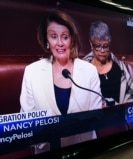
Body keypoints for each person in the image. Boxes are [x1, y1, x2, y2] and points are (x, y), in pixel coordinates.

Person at [20, 10, 102, 154]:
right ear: (46, 40)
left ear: (72, 39)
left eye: (65, 37)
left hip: (84, 151)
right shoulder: (31, 72)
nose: (59, 43)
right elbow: (27, 124)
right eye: (53, 36)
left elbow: (95, 118)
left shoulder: (90, 71)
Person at [83, 20, 133, 106]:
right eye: (98, 46)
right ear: (91, 44)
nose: (102, 50)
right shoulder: (83, 69)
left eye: (105, 46)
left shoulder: (120, 66)